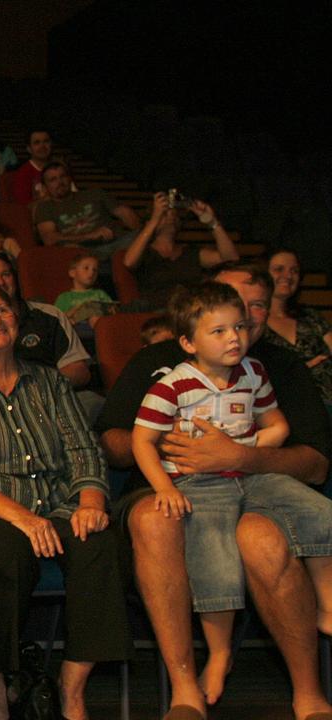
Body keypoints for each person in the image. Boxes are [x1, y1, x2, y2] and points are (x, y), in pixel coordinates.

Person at [95, 263, 332, 720]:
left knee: (263, 538)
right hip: (178, 486)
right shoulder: (162, 366)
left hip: (257, 486)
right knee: (158, 521)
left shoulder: (273, 367)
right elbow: (117, 439)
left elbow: (316, 463)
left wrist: (240, 456)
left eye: (249, 312)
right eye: (222, 320)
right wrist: (181, 450)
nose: (237, 330)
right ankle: (185, 684)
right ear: (191, 333)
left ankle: (308, 691)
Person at [0, 282, 129, 720]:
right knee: (1, 550)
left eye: (2, 310)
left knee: (98, 540)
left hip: (58, 504)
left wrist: (91, 500)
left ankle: (72, 685)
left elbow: (83, 450)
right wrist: (24, 519)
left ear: (17, 319)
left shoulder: (51, 382)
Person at [131, 281, 290, 705]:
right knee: (215, 555)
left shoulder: (254, 373)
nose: (233, 337)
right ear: (187, 342)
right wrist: (164, 487)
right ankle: (220, 655)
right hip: (198, 483)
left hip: (248, 474)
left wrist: (242, 452)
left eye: (238, 327)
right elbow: (141, 441)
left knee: (308, 509)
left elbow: (277, 427)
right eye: (218, 331)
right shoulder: (172, 386)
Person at [0, 252, 92, 389]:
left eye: (6, 275)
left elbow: (80, 372)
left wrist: (38, 386)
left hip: (57, 394)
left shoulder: (50, 315)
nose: (1, 282)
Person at [122, 191, 239, 311]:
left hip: (190, 312)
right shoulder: (144, 252)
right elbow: (129, 262)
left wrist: (212, 221)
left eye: (174, 214)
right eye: (165, 215)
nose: (171, 217)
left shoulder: (189, 252)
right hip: (157, 314)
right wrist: (155, 218)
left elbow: (230, 259)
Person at [264, 249, 332, 411]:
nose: (288, 275)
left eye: (294, 271)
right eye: (279, 269)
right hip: (286, 403)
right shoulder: (253, 323)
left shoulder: (310, 316)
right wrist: (301, 370)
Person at [33, 162, 141, 261]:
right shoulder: (45, 208)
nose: (60, 182)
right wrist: (90, 236)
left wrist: (142, 231)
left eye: (63, 176)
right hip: (84, 253)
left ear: (70, 178)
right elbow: (49, 239)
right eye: (53, 179)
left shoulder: (94, 193)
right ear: (45, 186)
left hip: (116, 243)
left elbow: (124, 213)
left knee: (143, 235)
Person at [55, 252, 117, 331]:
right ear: (72, 272)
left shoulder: (100, 294)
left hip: (99, 326)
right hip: (76, 328)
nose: (91, 272)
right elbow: (57, 319)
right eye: (86, 268)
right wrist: (76, 309)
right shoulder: (64, 297)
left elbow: (112, 311)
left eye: (95, 270)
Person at [6, 129, 54, 205]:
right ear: (29, 149)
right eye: (37, 143)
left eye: (46, 141)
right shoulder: (23, 174)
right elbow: (24, 207)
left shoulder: (59, 168)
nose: (42, 146)